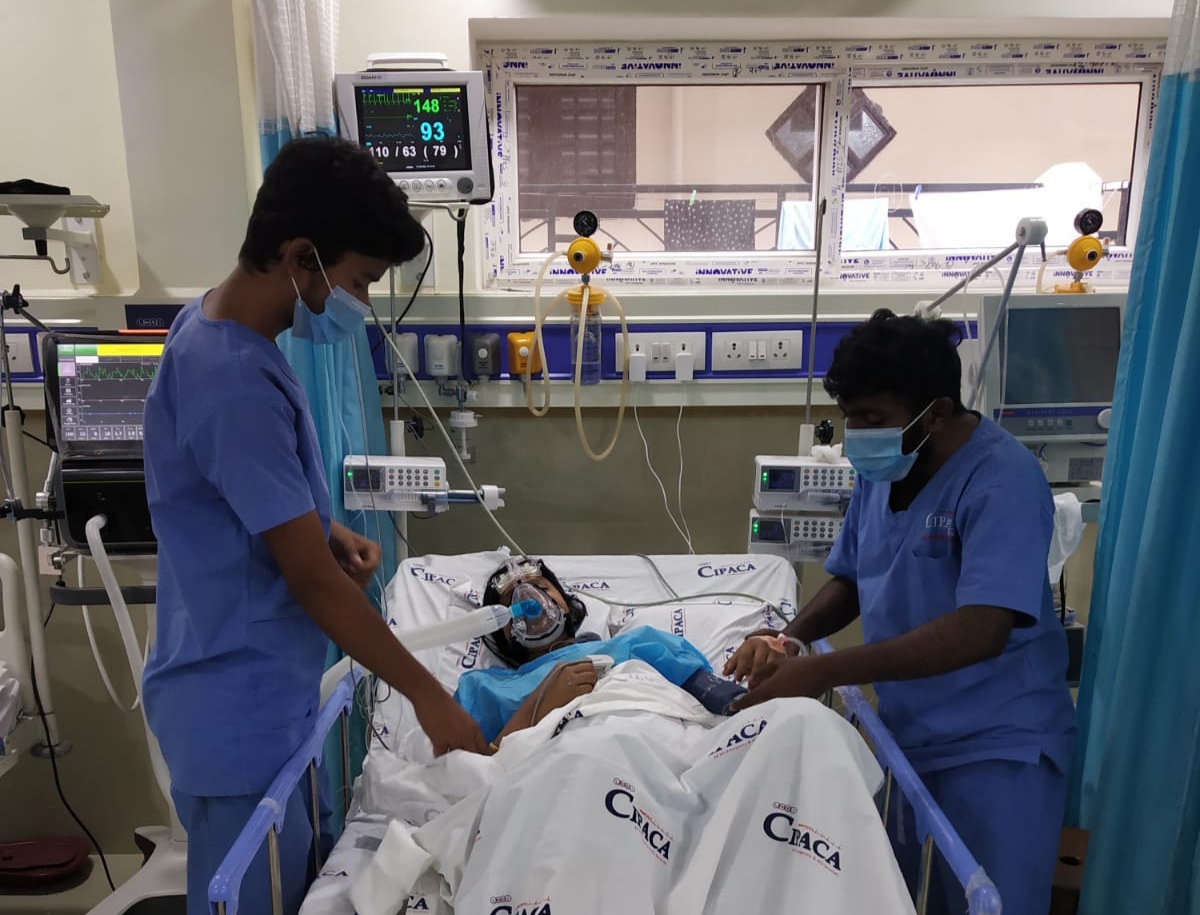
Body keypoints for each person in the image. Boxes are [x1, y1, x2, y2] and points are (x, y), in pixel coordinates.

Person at [141, 137, 488, 915]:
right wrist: (428, 695)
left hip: (253, 688)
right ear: (301, 257)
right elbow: (312, 583)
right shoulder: (233, 379)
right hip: (233, 707)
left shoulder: (227, 333)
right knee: (248, 895)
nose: (359, 302)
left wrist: (323, 530)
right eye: (358, 281)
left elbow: (239, 495)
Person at [724, 309, 1076, 915]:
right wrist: (788, 641)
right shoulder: (889, 467)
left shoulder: (1003, 483)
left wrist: (823, 671)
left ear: (935, 413)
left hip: (997, 747)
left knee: (989, 901)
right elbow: (853, 578)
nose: (857, 434)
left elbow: (982, 629)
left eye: (872, 419)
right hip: (909, 736)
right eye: (850, 416)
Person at [455, 557, 747, 748]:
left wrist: (749, 706)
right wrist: (537, 707)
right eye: (511, 599)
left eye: (541, 587)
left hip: (652, 743)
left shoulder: (637, 642)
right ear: (500, 628)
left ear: (567, 604)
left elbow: (722, 699)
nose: (530, 599)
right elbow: (469, 775)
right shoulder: (483, 688)